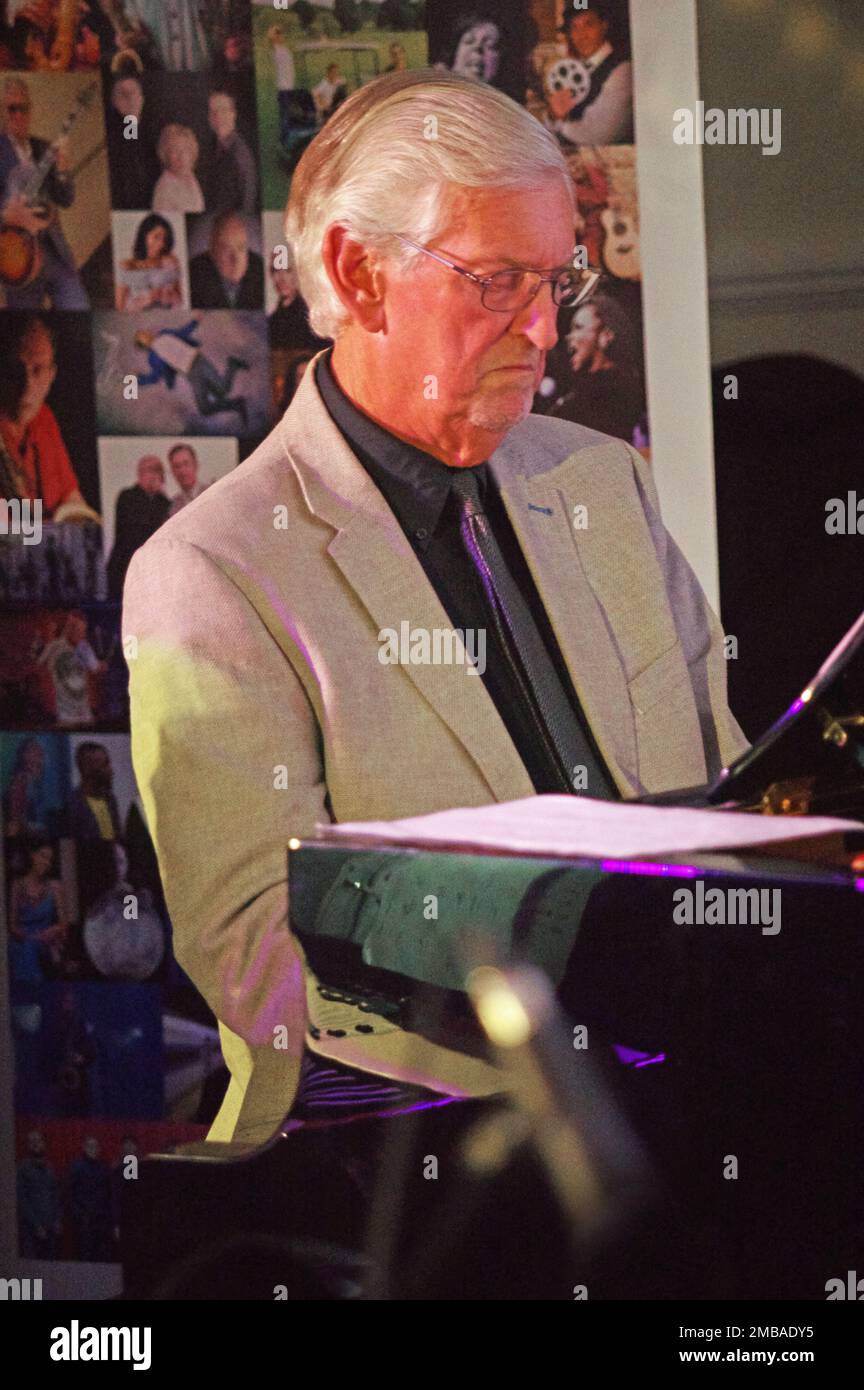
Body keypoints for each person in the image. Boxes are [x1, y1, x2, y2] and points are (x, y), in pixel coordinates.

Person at [123, 70, 746, 1146]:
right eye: (500, 280)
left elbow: (724, 800)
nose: (547, 330)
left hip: (691, 1114)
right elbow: (259, 962)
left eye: (560, 278)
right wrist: (579, 1027)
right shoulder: (211, 570)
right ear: (359, 275)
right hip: (417, 1174)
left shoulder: (605, 482)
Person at [0, 75, 89, 308]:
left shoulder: (44, 148)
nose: (18, 115)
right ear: (3, 112)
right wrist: (6, 215)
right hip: (19, 261)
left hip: (56, 255)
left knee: (78, 307)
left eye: (24, 108)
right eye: (12, 109)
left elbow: (66, 199)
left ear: (31, 110)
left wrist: (62, 170)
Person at [0, 316, 91, 517]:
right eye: (16, 369)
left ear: (52, 375)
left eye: (38, 369)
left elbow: (71, 499)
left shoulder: (44, 417)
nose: (27, 385)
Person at [548, 292, 645, 443]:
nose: (570, 337)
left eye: (578, 327)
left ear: (605, 336)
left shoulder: (613, 393)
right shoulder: (587, 389)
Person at [543, 1, 633, 146]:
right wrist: (553, 116)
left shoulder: (623, 71)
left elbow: (597, 135)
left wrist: (557, 121)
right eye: (574, 27)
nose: (581, 35)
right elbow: (548, 126)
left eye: (589, 25)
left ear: (604, 26)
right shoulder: (576, 70)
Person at [133, 320, 249, 427]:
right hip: (190, 374)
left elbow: (182, 333)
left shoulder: (165, 333)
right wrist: (138, 380)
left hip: (198, 360)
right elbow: (155, 377)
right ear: (144, 345)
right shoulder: (153, 358)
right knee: (205, 409)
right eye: (142, 337)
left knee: (223, 389)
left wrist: (195, 321)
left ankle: (232, 364)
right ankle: (237, 404)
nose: (146, 334)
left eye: (144, 332)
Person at [106, 453, 169, 598]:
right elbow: (138, 527)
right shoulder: (127, 496)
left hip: (152, 569)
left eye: (157, 470)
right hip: (125, 567)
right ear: (139, 473)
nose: (152, 475)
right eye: (148, 470)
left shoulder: (164, 502)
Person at [33, 608, 106, 728]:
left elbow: (95, 668)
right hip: (65, 714)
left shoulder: (84, 647)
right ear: (69, 629)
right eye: (78, 630)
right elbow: (38, 664)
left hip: (84, 712)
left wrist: (102, 665)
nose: (81, 634)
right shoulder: (53, 647)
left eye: (83, 631)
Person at [8, 839, 67, 984]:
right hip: (23, 939)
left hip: (47, 939)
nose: (46, 863)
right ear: (32, 855)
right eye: (43, 856)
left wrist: (52, 931)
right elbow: (12, 926)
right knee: (24, 949)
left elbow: (63, 923)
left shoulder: (55, 887)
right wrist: (30, 937)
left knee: (36, 949)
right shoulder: (17, 885)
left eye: (49, 859)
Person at [105, 74, 159, 209]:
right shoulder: (117, 133)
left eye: (133, 92)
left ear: (142, 97)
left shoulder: (155, 128)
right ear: (114, 101)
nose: (129, 97)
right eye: (122, 94)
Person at [188, 211, 263, 309]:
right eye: (226, 249)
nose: (235, 259)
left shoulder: (261, 269)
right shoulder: (193, 274)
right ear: (212, 251)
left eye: (241, 247)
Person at [200, 89, 257, 216]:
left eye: (223, 110)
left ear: (233, 114)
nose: (218, 116)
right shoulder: (211, 148)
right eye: (213, 112)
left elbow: (247, 203)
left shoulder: (241, 154)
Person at [268, 243, 330, 352]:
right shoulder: (271, 322)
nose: (282, 278)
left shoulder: (313, 319)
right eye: (276, 271)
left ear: (298, 273)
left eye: (288, 270)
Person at [115, 212, 182, 312]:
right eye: (156, 237)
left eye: (164, 239)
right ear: (144, 235)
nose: (160, 244)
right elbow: (120, 308)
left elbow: (180, 300)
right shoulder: (127, 266)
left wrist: (169, 296)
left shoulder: (171, 262)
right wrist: (145, 300)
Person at [17, 1129, 62, 1260]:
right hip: (31, 1230)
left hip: (51, 1229)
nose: (36, 1144)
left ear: (44, 1143)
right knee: (33, 1269)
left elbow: (56, 1196)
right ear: (28, 1145)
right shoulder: (22, 1169)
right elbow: (22, 1201)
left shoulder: (49, 1168)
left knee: (50, 1269)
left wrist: (58, 1219)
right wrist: (36, 1225)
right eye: (32, 1141)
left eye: (39, 1140)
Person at [68, 740, 122, 840]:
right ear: (86, 769)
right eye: (104, 765)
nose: (111, 770)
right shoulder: (73, 804)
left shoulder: (110, 800)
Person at [152, 122, 204, 214]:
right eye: (175, 151)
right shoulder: (165, 188)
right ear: (165, 154)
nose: (181, 156)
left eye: (185, 150)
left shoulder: (190, 177)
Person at [167, 441, 210, 515]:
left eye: (186, 464)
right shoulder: (172, 507)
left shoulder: (210, 495)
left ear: (196, 465)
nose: (182, 471)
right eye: (177, 466)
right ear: (172, 471)